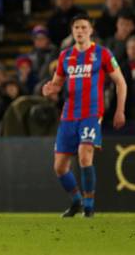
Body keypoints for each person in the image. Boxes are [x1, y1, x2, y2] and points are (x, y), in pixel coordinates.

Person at [42, 14, 127, 218]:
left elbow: (120, 82)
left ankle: (89, 206)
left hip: (91, 113)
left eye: (83, 27)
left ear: (91, 30)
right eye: (76, 28)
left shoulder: (102, 54)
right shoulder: (65, 56)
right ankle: (76, 201)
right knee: (60, 167)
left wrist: (119, 110)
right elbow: (57, 84)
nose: (79, 31)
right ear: (72, 31)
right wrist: (49, 90)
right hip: (68, 115)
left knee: (84, 154)